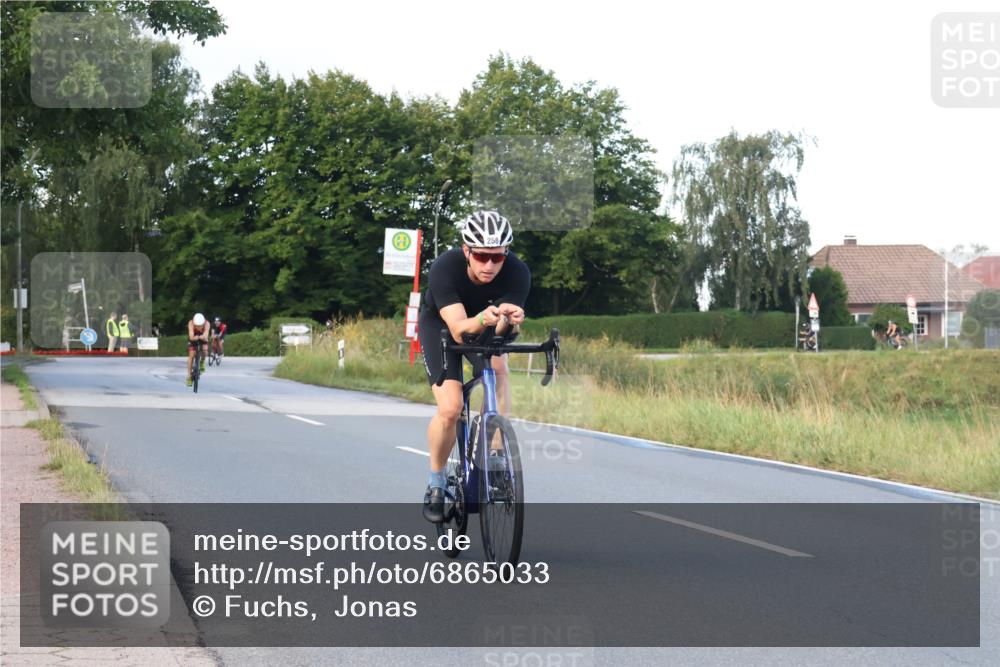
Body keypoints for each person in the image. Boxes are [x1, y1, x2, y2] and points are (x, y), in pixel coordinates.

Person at [417, 211, 529, 523]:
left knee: (499, 369)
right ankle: (436, 482)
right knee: (451, 408)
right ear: (467, 251)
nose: (489, 265)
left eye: (497, 257)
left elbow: (503, 335)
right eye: (481, 256)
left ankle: (493, 455)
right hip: (441, 328)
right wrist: (484, 317)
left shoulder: (518, 272)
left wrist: (510, 323)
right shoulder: (445, 268)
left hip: (485, 324)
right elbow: (458, 331)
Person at [186, 313, 210, 386]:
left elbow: (206, 334)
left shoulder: (207, 323)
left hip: (203, 337)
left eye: (200, 326)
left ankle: (202, 362)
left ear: (203, 323)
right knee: (191, 355)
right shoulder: (191, 323)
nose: (199, 327)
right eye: (197, 326)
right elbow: (191, 336)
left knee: (205, 350)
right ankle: (189, 376)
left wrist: (203, 337)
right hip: (193, 337)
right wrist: (194, 338)